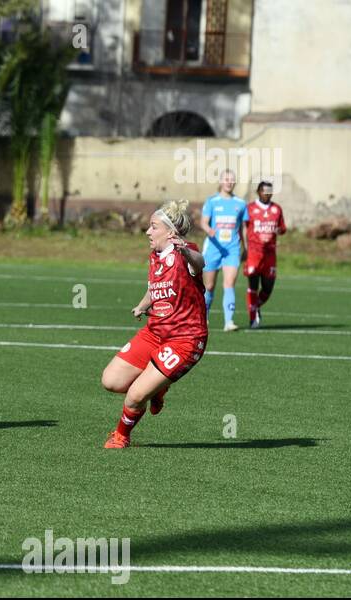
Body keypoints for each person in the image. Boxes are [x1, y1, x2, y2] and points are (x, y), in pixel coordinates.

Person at [100, 199, 208, 449]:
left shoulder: (186, 252)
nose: (148, 232)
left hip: (185, 340)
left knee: (135, 395)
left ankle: (121, 436)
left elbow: (200, 263)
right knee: (110, 381)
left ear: (170, 232)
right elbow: (155, 288)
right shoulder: (154, 257)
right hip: (154, 333)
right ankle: (157, 389)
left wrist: (185, 251)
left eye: (153, 227)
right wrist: (143, 305)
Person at [199, 169, 248, 331]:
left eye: (232, 179)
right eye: (226, 179)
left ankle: (229, 322)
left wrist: (245, 247)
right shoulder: (212, 201)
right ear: (221, 181)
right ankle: (203, 317)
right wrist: (209, 230)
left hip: (232, 249)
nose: (229, 182)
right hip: (213, 248)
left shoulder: (240, 204)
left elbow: (243, 228)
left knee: (229, 283)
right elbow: (204, 222)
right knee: (209, 286)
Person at [244, 179, 287, 328]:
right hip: (254, 254)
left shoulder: (277, 209)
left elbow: (282, 228)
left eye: (270, 191)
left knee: (268, 288)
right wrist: (242, 247)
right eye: (264, 191)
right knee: (253, 286)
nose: (267, 194)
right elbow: (242, 227)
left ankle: (255, 306)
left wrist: (279, 230)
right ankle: (252, 319)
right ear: (258, 192)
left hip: (270, 254)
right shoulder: (249, 209)